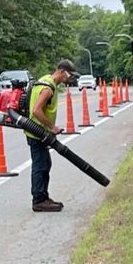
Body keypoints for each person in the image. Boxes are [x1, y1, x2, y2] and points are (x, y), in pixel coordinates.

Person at [26, 58, 75, 213]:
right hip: (36, 132)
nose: (70, 79)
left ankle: (43, 197)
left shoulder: (45, 81)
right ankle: (39, 201)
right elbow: (36, 110)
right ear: (61, 71)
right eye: (69, 75)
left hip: (38, 132)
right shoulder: (48, 88)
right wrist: (51, 127)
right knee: (40, 165)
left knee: (45, 163)